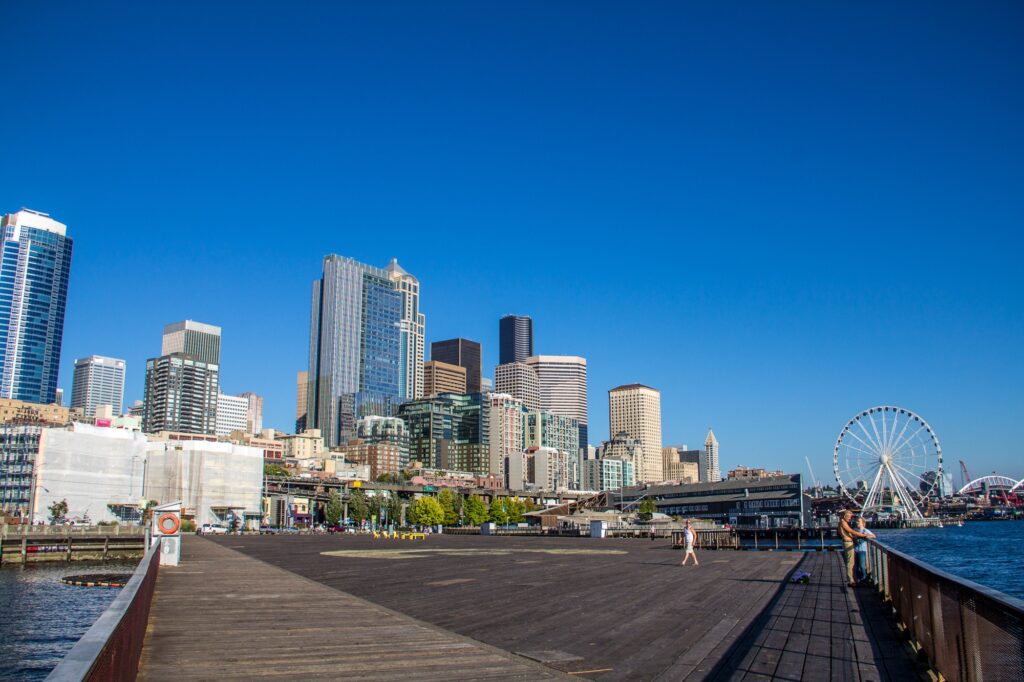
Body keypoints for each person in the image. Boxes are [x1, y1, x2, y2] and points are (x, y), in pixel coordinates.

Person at [838, 509, 868, 587]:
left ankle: (852, 579)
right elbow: (851, 531)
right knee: (850, 562)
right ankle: (850, 580)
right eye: (849, 517)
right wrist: (864, 535)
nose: (850, 519)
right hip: (847, 543)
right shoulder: (843, 522)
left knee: (851, 562)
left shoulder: (843, 522)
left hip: (849, 542)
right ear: (845, 516)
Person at [854, 516, 876, 584]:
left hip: (862, 550)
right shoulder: (854, 529)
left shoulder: (865, 530)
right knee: (856, 567)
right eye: (856, 521)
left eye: (859, 521)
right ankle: (858, 580)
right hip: (855, 550)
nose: (857, 522)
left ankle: (864, 579)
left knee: (862, 566)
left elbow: (874, 536)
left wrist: (866, 535)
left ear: (863, 523)